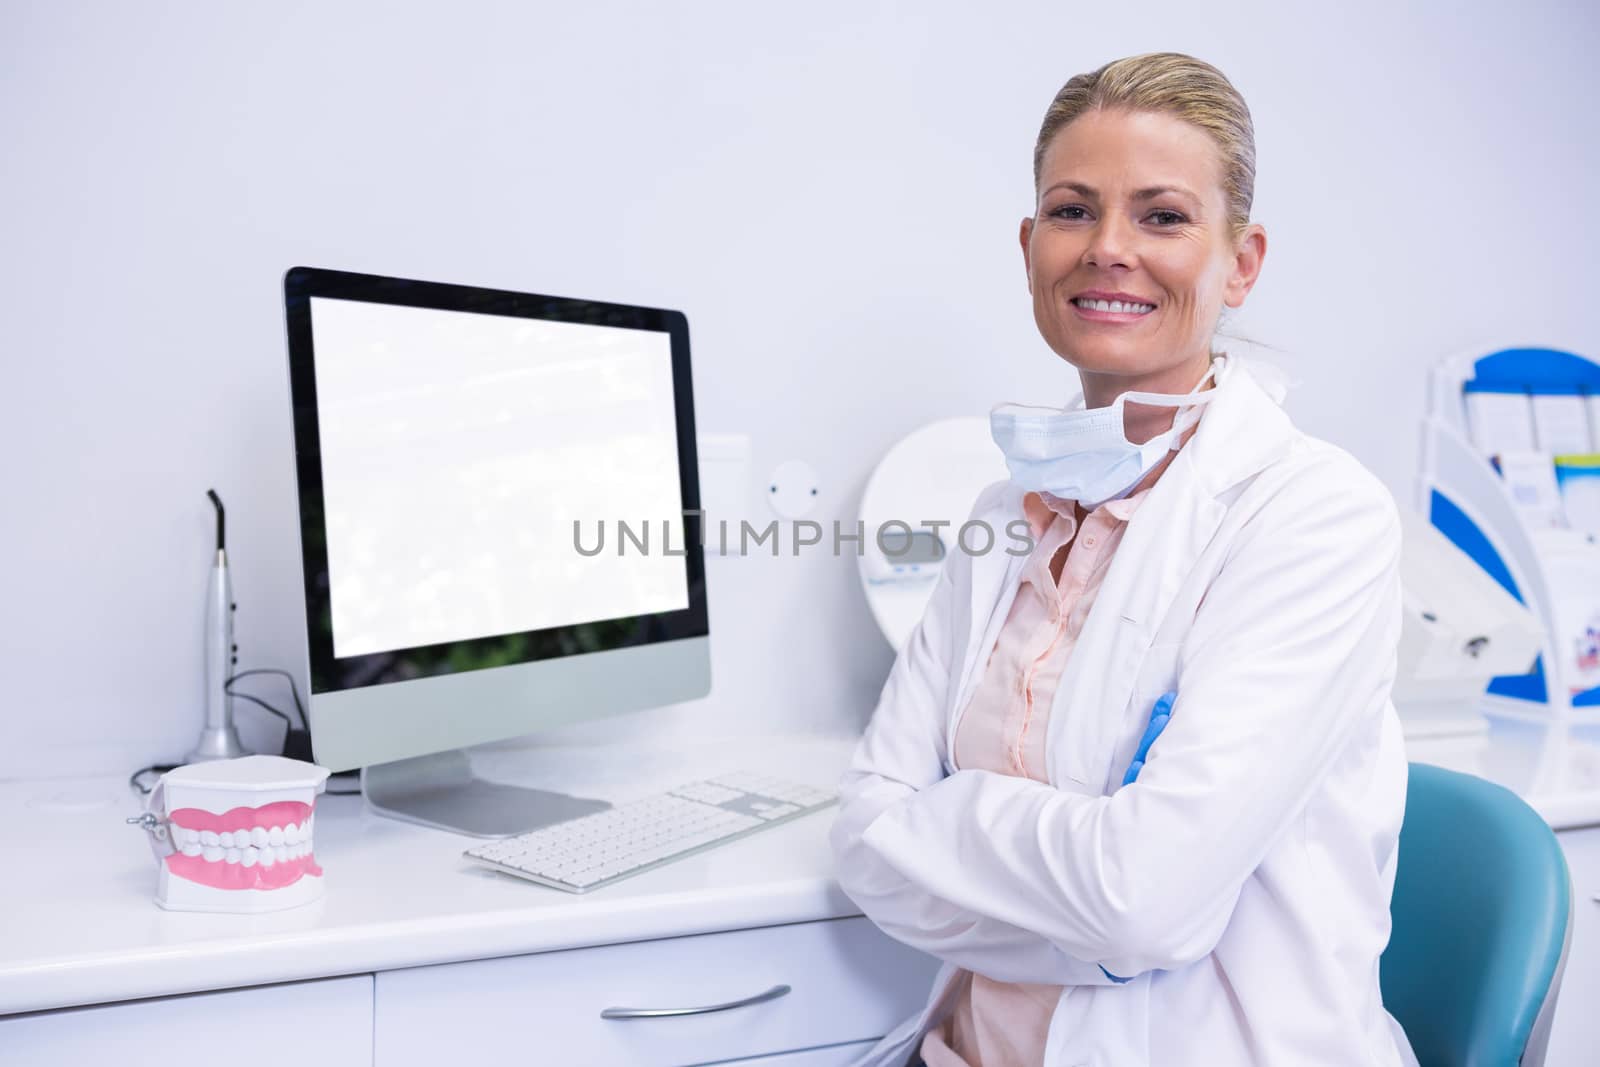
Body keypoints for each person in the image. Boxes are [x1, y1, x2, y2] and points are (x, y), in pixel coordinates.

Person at [829, 52, 1420, 1067]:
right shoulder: (1001, 512)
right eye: (1071, 211)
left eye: (1161, 216)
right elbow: (863, 842)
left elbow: (1142, 904)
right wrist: (1089, 904)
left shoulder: (1313, 516)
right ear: (1028, 248)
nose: (1108, 248)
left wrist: (946, 817)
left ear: (1240, 260)